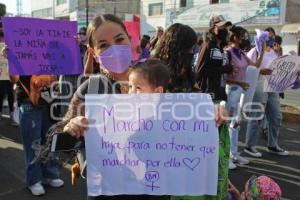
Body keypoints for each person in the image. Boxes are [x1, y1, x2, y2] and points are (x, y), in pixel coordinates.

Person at [153, 22, 229, 200]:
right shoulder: (153, 72)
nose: (195, 50)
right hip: (162, 152)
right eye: (191, 46)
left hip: (185, 150)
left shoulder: (186, 72)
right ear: (179, 46)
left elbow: (198, 100)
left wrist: (215, 109)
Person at [1, 48, 64, 196]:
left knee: (49, 140)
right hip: (29, 103)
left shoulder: (48, 52)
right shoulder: (20, 53)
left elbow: (63, 66)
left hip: (50, 102)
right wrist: (11, 59)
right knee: (33, 143)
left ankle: (50, 173)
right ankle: (34, 180)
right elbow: (14, 79)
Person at [244, 29, 289, 158]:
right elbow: (248, 68)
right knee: (257, 116)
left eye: (272, 37)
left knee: (276, 116)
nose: (271, 40)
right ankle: (249, 146)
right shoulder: (255, 51)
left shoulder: (274, 53)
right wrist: (259, 71)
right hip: (259, 84)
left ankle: (272, 144)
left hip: (272, 86)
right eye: (268, 37)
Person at [225, 26, 265, 170]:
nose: (245, 39)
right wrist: (239, 82)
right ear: (234, 37)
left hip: (240, 91)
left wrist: (262, 49)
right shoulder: (228, 53)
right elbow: (225, 77)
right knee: (229, 124)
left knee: (236, 123)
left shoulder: (241, 53)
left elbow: (256, 66)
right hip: (232, 90)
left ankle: (234, 153)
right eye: (242, 36)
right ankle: (227, 156)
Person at [194, 15, 234, 101]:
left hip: (220, 91)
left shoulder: (221, 48)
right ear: (213, 29)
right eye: (222, 27)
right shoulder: (207, 45)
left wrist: (229, 69)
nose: (225, 30)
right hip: (208, 92)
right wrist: (223, 69)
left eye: (225, 27)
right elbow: (200, 70)